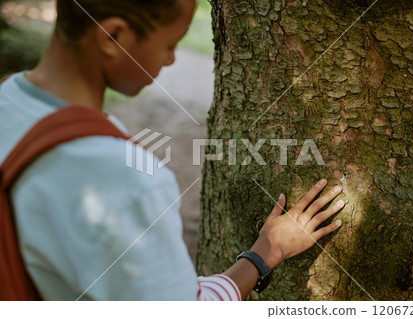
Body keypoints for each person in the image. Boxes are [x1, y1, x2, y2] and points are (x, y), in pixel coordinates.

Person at [0, 0, 345, 300]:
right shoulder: (127, 179)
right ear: (113, 37)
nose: (170, 60)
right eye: (170, 44)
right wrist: (265, 252)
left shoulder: (8, 101)